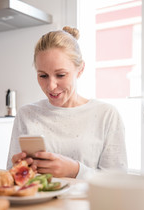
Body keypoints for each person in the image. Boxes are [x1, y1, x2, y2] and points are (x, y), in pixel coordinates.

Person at [7, 26, 127, 179]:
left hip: (89, 203)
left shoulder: (106, 115)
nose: (51, 86)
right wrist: (18, 172)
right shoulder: (27, 114)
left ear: (80, 69)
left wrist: (76, 170)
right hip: (38, 203)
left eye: (61, 75)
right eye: (43, 76)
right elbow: (11, 177)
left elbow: (118, 182)